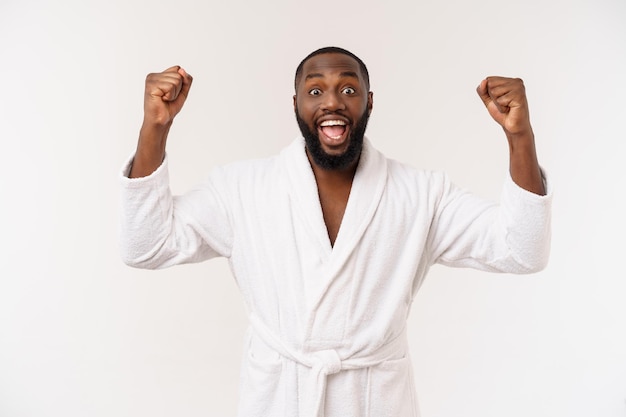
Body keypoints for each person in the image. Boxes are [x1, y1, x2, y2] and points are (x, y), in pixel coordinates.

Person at [119, 46, 551, 417]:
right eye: (314, 90)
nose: (332, 102)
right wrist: (155, 127)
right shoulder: (241, 189)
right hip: (281, 399)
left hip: (376, 400)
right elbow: (147, 245)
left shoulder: (421, 194)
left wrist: (520, 137)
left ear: (369, 102)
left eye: (348, 89)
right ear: (295, 104)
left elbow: (521, 250)